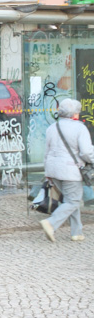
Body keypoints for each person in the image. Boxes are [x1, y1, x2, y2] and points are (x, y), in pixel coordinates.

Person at [40, 98, 94, 242]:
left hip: (53, 169)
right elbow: (86, 152)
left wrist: (47, 173)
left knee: (70, 200)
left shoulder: (52, 127)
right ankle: (51, 223)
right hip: (70, 170)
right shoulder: (79, 128)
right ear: (75, 114)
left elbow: (47, 151)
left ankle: (77, 232)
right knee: (74, 201)